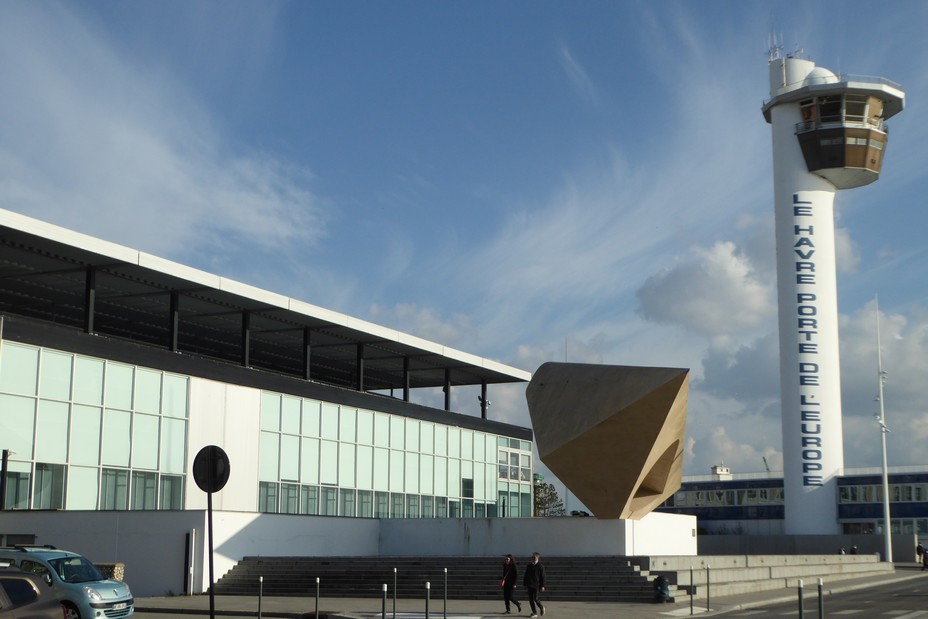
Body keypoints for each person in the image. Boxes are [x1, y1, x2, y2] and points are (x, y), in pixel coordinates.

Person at [523, 551, 546, 617]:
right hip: (529, 585)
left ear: (538, 558)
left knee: (536, 598)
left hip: (537, 585)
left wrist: (542, 586)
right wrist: (524, 584)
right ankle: (534, 612)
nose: (532, 558)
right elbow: (526, 575)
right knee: (530, 600)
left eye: (534, 557)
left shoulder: (540, 566)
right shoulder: (529, 565)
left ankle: (541, 607)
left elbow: (543, 577)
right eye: (532, 557)